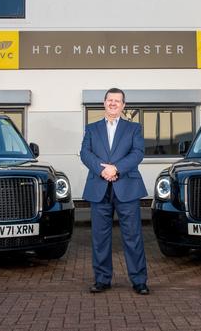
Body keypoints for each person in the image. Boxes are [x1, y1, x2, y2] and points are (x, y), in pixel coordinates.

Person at [80, 88, 149, 295]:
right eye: (110, 100)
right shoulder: (92, 128)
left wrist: (116, 168)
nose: (113, 103)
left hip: (127, 187)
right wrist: (102, 170)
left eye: (117, 101)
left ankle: (139, 281)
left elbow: (138, 153)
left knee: (133, 236)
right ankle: (102, 279)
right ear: (104, 103)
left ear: (123, 105)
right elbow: (85, 153)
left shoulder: (133, 128)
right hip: (99, 187)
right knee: (100, 238)